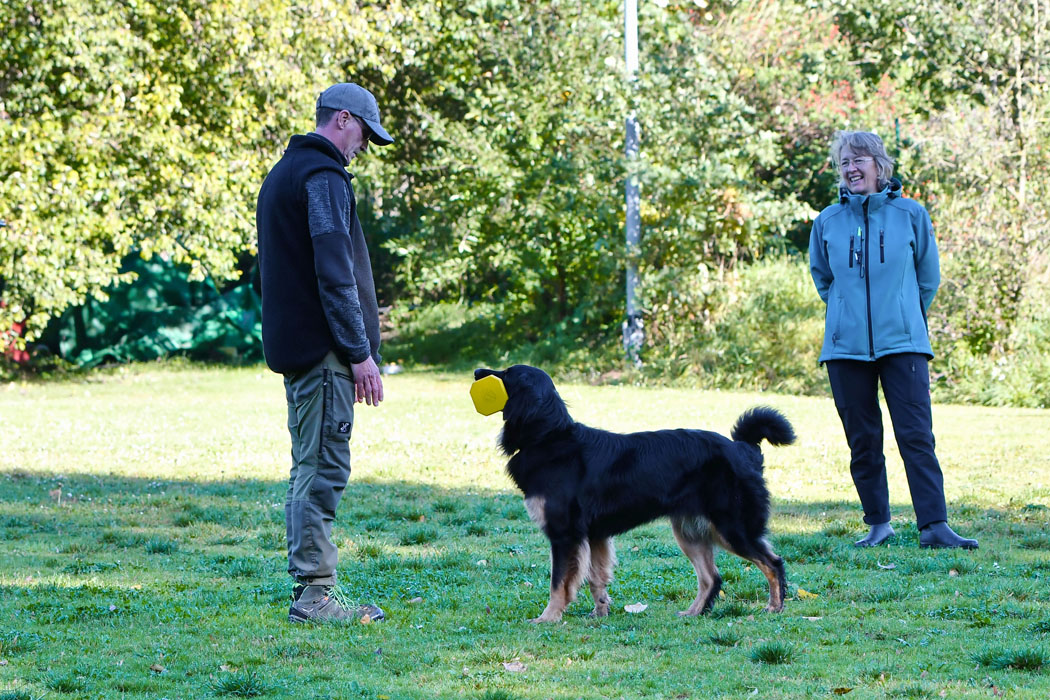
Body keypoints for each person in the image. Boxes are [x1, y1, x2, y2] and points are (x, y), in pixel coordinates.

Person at [256, 82, 394, 622]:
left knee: (306, 466)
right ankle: (316, 596)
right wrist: (359, 353)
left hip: (299, 351)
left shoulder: (283, 175)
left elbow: (270, 275)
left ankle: (311, 587)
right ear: (342, 120)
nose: (362, 145)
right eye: (363, 132)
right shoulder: (322, 177)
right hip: (324, 357)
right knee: (323, 467)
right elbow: (335, 275)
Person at [808, 130, 978, 550]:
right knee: (862, 440)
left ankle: (934, 526)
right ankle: (878, 525)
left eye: (858, 160)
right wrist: (846, 312)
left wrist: (903, 314)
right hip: (845, 349)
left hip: (904, 344)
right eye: (844, 162)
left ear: (880, 165)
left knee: (916, 436)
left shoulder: (911, 215)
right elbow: (823, 278)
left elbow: (928, 277)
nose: (850, 168)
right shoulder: (827, 220)